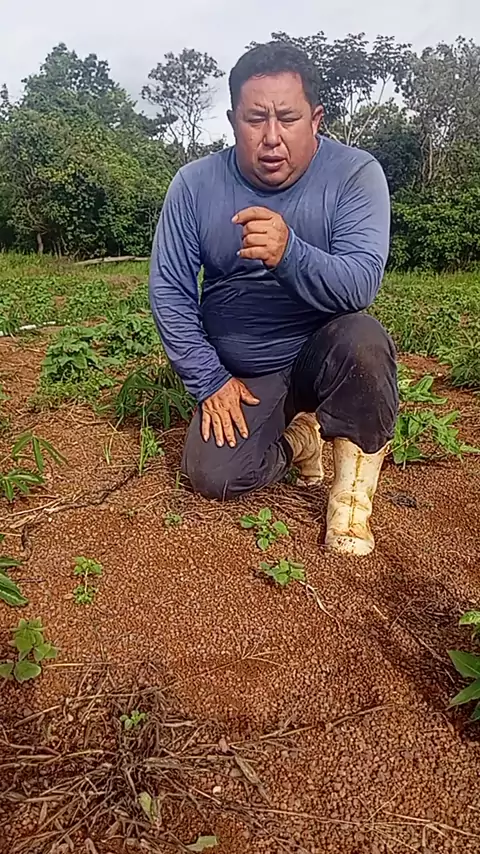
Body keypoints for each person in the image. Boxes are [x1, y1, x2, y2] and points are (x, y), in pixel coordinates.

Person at [149, 42, 398, 557]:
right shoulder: (194, 185)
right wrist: (209, 379)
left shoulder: (355, 174)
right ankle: (299, 440)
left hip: (321, 356)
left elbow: (360, 283)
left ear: (316, 119)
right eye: (254, 119)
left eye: (287, 118)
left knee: (365, 342)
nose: (271, 137)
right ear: (232, 121)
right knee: (213, 475)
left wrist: (289, 253)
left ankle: (351, 503)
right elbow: (169, 290)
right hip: (243, 375)